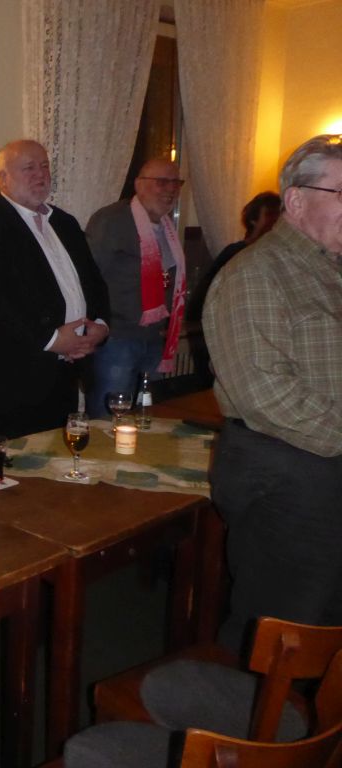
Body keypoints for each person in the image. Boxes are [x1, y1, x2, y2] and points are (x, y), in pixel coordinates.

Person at [203, 134, 342, 654]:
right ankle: (250, 708)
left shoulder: (329, 268)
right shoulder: (256, 274)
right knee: (281, 629)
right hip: (286, 475)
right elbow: (266, 395)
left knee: (326, 620)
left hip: (322, 464)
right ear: (297, 200)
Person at [0, 139, 109, 438]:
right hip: (10, 377)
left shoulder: (65, 223)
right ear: (2, 179)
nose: (40, 174)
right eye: (29, 168)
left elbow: (94, 282)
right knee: (16, 463)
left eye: (44, 166)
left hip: (66, 371)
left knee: (56, 457)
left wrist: (100, 325)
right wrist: (52, 339)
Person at [84, 159, 187, 417]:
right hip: (117, 339)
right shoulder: (112, 220)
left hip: (154, 339)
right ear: (139, 185)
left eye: (176, 182)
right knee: (108, 420)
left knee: (145, 417)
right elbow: (88, 277)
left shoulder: (167, 227)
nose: (170, 189)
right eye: (161, 182)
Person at [187, 191, 281, 384]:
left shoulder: (276, 256)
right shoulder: (237, 254)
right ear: (253, 220)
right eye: (271, 215)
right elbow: (206, 299)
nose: (276, 222)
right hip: (225, 339)